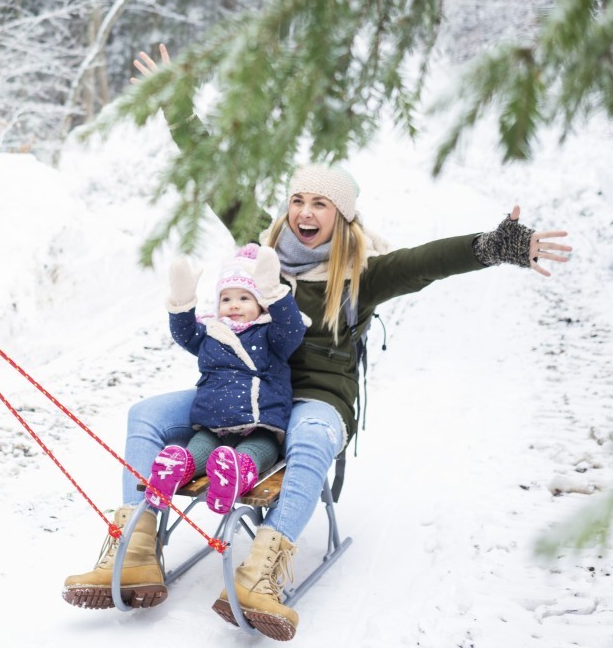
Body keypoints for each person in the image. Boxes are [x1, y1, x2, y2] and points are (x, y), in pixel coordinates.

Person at [62, 145, 570, 640]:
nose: (305, 213)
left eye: (320, 204)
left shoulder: (362, 273)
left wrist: (493, 246)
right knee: (146, 414)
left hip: (317, 398)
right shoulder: (262, 251)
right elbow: (225, 187)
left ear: (342, 216)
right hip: (244, 391)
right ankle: (135, 551)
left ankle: (261, 569)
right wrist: (179, 110)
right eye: (298, 200)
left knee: (310, 437)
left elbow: (425, 262)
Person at [145, 244, 307, 516]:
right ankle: (176, 469)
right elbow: (184, 333)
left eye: (245, 298)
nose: (234, 305)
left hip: (259, 423)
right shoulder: (211, 333)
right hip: (213, 425)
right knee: (200, 447)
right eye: (226, 298)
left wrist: (274, 293)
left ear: (261, 303)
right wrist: (183, 302)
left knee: (258, 449)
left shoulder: (270, 336)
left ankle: (236, 474)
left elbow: (293, 327)